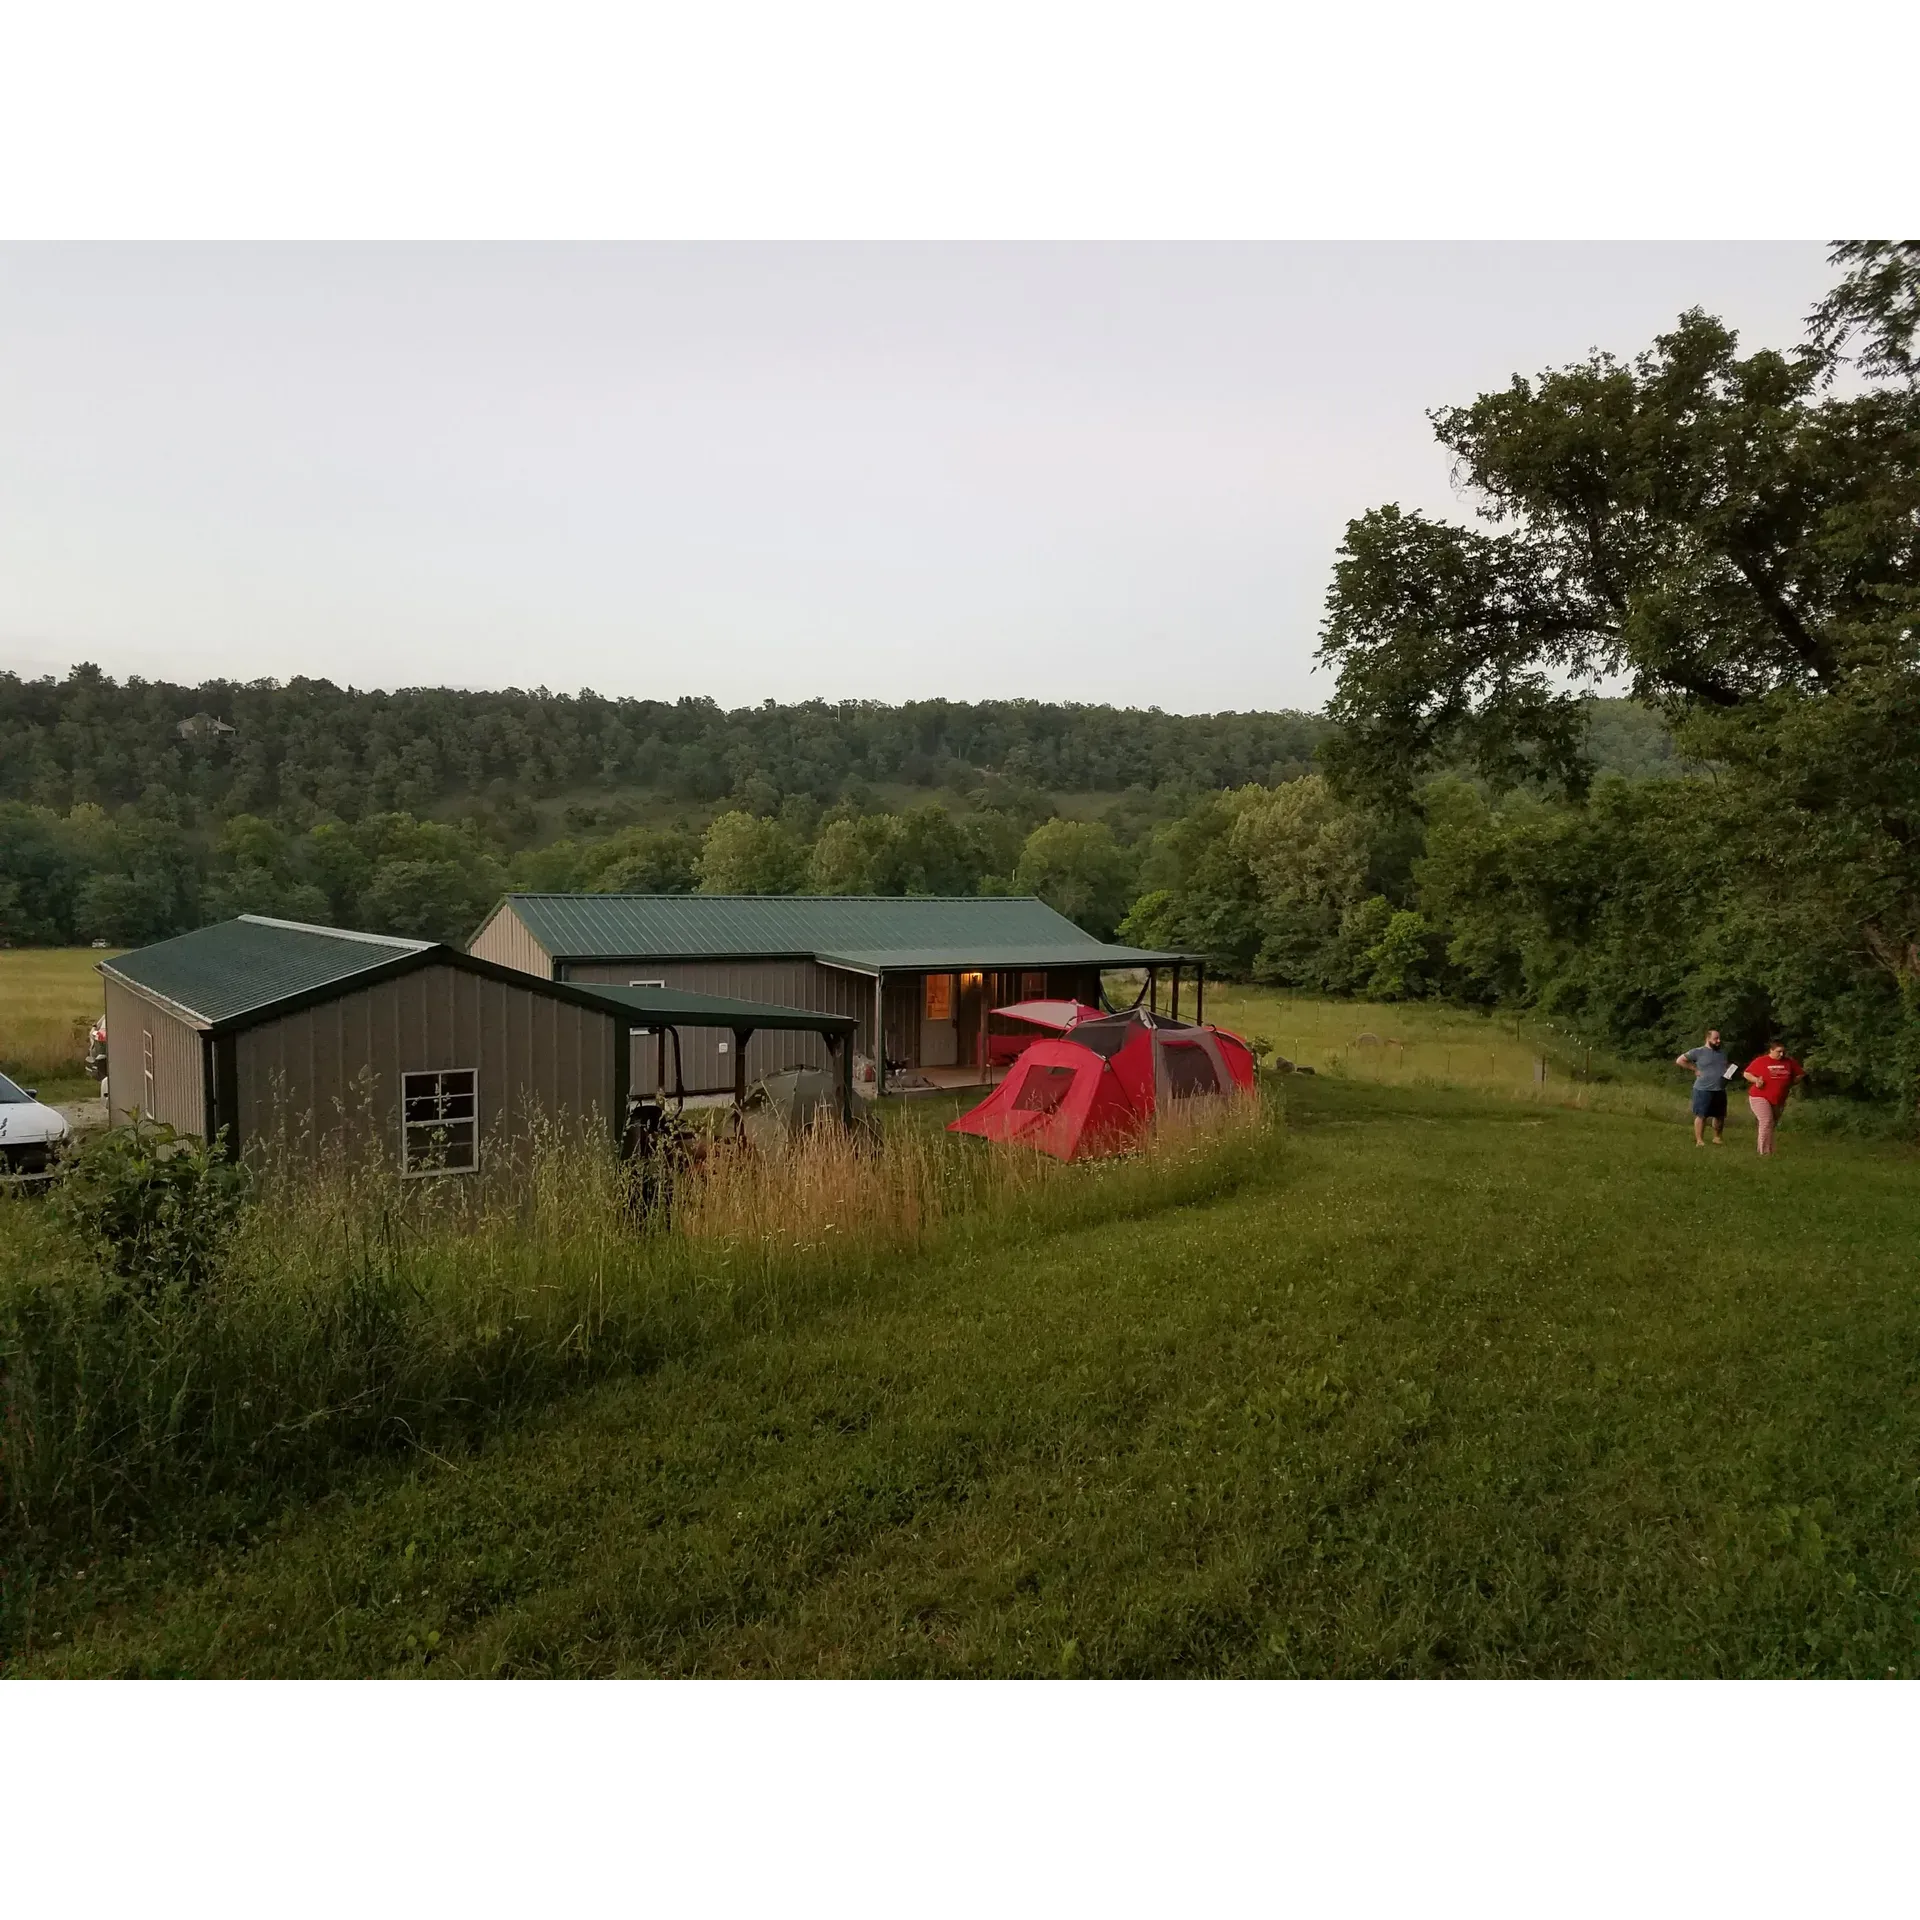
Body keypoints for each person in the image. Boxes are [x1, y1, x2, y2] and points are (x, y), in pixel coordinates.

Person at [1742, 1040, 1806, 1156]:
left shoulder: (1789, 1062)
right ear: (1771, 1050)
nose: (1781, 1054)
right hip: (1759, 1096)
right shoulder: (1761, 1061)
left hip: (1779, 1098)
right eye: (1778, 1051)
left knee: (1771, 1124)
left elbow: (1800, 1074)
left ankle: (1764, 1147)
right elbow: (1747, 1073)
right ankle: (1765, 1153)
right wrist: (1756, 1080)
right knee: (1766, 1121)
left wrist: (1791, 1082)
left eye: (1783, 1052)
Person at [1674, 1027, 1732, 1146]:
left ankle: (1717, 1137)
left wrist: (1728, 1074)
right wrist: (1694, 1069)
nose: (1718, 1041)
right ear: (1708, 1039)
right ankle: (1699, 1140)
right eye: (1716, 1039)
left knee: (1720, 1116)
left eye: (1719, 1038)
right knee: (1702, 1115)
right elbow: (1680, 1060)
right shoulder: (1698, 1051)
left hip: (1720, 1089)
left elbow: (1724, 1067)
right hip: (1703, 1089)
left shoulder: (1722, 1054)